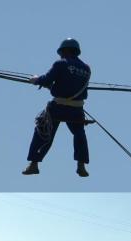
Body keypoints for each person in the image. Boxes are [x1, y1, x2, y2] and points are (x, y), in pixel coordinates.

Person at [23, 38, 92, 177]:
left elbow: (48, 79)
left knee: (43, 130)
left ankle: (34, 164)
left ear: (64, 51)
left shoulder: (60, 64)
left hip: (58, 107)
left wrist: (36, 80)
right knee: (79, 134)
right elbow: (71, 85)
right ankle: (81, 165)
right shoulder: (86, 69)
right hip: (76, 109)